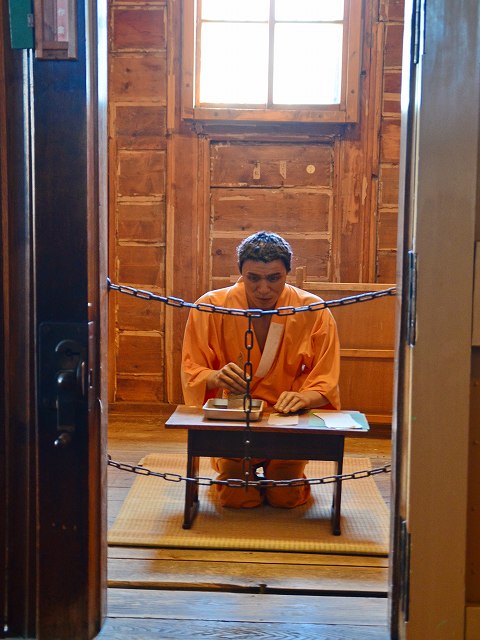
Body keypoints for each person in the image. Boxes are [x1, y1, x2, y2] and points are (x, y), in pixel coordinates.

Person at [181, 231, 340, 509]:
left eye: (274, 278)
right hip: (233, 417)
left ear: (287, 273)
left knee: (285, 496)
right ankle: (232, 471)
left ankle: (283, 472)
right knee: (237, 497)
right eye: (253, 278)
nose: (263, 289)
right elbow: (192, 367)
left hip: (287, 419)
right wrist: (215, 377)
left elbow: (326, 377)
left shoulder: (313, 310)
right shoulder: (210, 306)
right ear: (241, 273)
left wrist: (304, 397)